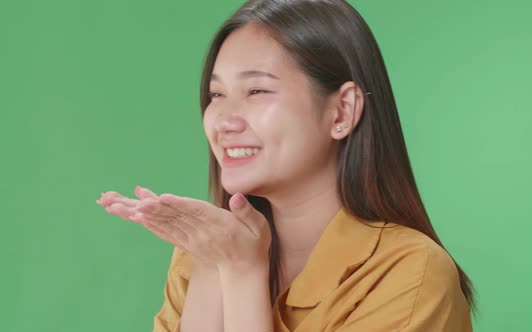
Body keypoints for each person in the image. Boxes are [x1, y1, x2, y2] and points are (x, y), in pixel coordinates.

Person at [96, 0, 477, 331]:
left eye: (257, 91)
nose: (224, 121)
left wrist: (242, 274)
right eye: (216, 94)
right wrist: (214, 267)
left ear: (342, 110)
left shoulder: (410, 273)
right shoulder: (203, 250)